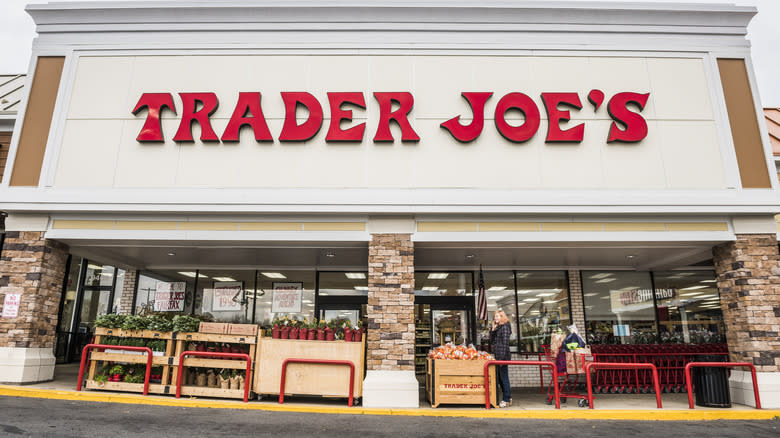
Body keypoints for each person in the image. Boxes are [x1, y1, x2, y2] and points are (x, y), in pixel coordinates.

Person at [490, 309, 512, 408]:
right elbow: (491, 341)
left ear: (502, 317)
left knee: (504, 378)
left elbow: (505, 344)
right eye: (495, 316)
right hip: (498, 356)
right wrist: (493, 329)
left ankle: (506, 399)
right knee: (500, 378)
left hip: (502, 357)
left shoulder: (505, 327)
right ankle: (507, 397)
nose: (496, 318)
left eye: (498, 316)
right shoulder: (499, 327)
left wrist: (502, 359)